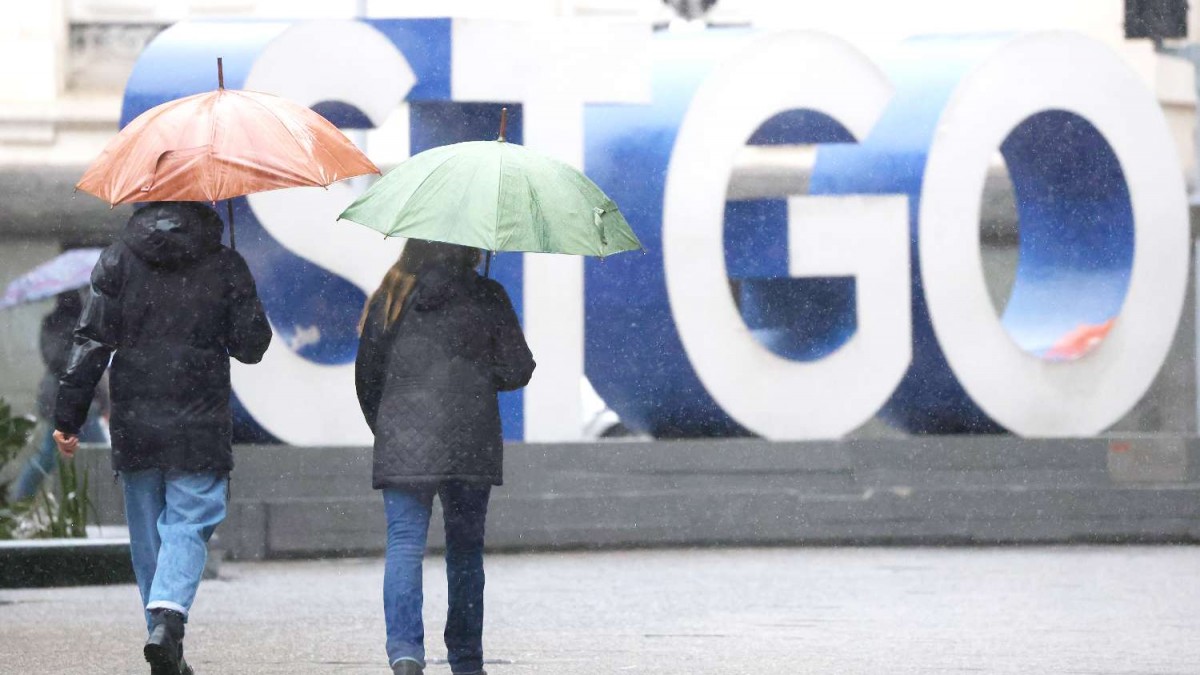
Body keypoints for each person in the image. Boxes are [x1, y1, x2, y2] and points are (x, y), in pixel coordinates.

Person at [54, 202, 271, 675]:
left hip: (136, 421)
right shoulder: (224, 261)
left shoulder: (118, 258)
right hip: (199, 421)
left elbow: (90, 339)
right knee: (189, 524)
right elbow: (252, 347)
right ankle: (169, 620)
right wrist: (238, 290)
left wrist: (68, 417)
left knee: (148, 540)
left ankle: (165, 646)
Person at [356, 240, 535, 675]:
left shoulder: (392, 294)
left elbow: (367, 376)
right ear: (471, 247)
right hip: (470, 437)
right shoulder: (488, 295)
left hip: (403, 435)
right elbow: (518, 369)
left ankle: (405, 654)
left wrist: (388, 428)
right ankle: (467, 661)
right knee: (466, 552)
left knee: (404, 545)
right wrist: (477, 370)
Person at [8, 290, 110, 502]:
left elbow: (93, 364)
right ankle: (19, 499)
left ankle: (19, 499)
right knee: (60, 454)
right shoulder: (59, 324)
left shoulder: (80, 323)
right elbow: (60, 360)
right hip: (65, 401)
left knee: (90, 453)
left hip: (75, 401)